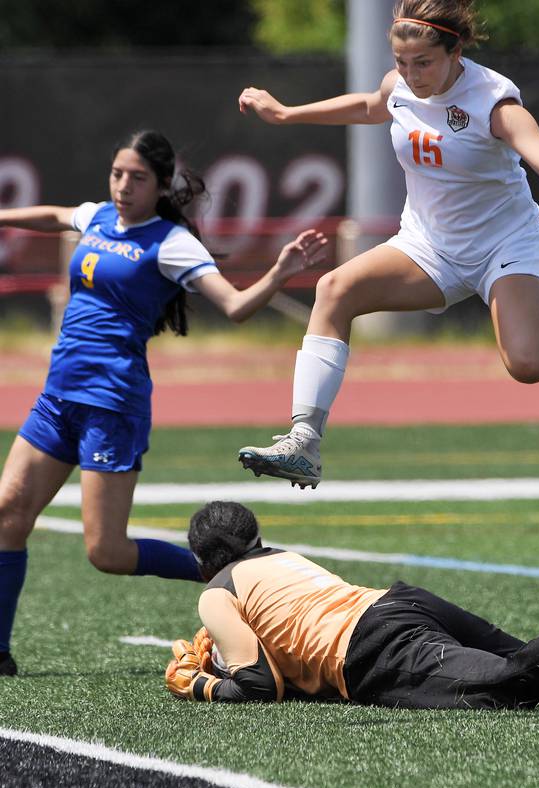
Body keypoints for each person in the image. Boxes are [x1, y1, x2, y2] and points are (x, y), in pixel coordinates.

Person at [235, 0, 539, 489]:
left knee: (530, 363)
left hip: (504, 246)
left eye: (423, 63)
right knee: (334, 290)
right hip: (428, 247)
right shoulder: (401, 87)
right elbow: (373, 104)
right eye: (401, 63)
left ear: (455, 52)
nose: (410, 74)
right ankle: (303, 441)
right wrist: (286, 113)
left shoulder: (494, 102)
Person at [0, 130, 328, 677]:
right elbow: (56, 215)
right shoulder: (99, 217)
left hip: (112, 404)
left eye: (137, 178)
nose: (124, 186)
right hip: (57, 397)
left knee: (106, 553)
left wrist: (280, 271)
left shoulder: (171, 243)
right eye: (117, 174)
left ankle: (225, 571)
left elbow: (237, 306)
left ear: (160, 186)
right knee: (8, 515)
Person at [165, 500, 539, 709]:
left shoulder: (218, 594)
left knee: (508, 685)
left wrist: (198, 684)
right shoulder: (278, 558)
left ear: (202, 562)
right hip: (400, 605)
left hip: (374, 650)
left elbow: (256, 684)